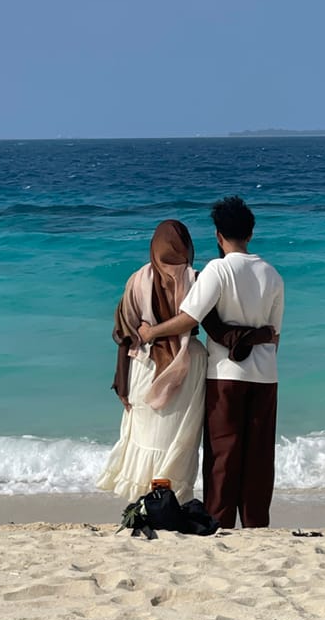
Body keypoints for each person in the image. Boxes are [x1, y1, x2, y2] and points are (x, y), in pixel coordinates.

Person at [97, 219, 272, 505]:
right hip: (188, 364)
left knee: (146, 436)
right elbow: (218, 331)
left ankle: (144, 502)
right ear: (188, 247)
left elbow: (125, 336)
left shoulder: (136, 281)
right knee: (179, 440)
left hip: (143, 366)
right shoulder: (197, 279)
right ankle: (170, 502)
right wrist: (261, 334)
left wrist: (121, 383)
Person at [139, 197, 284, 528]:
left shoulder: (219, 269)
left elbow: (189, 319)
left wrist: (151, 333)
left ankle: (219, 521)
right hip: (266, 376)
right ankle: (256, 524)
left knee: (223, 454)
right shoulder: (273, 274)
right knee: (260, 457)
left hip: (226, 375)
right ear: (250, 233)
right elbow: (275, 336)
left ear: (219, 236)